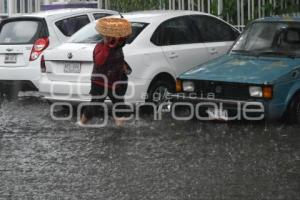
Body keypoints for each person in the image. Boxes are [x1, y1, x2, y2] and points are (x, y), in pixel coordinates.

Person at [79, 18, 132, 127]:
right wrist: (107, 46)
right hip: (100, 82)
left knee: (119, 106)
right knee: (94, 106)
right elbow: (99, 61)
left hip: (115, 82)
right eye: (110, 37)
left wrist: (124, 68)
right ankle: (81, 124)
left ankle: (120, 128)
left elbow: (119, 58)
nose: (115, 40)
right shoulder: (100, 46)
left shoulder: (118, 45)